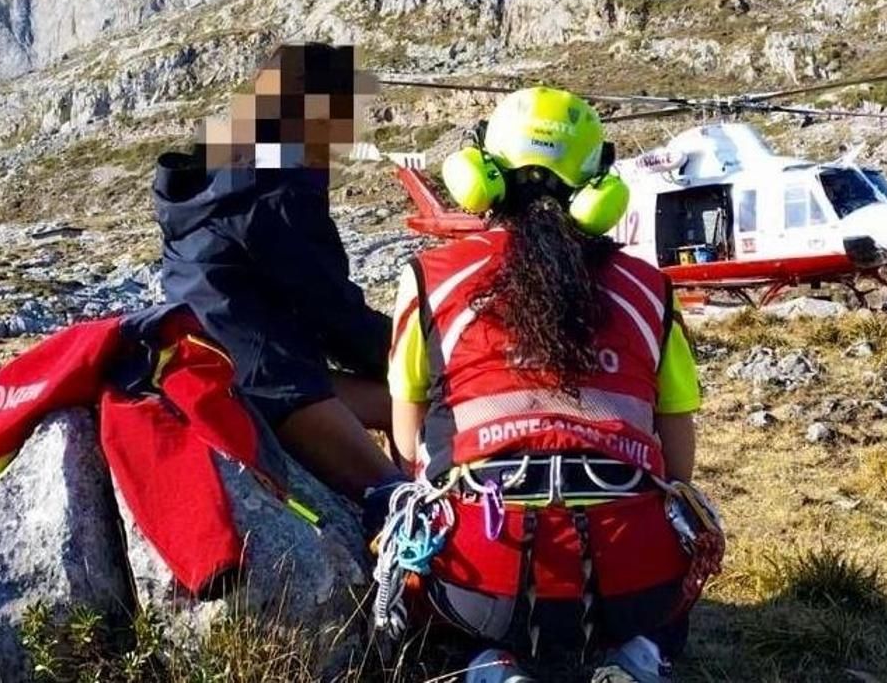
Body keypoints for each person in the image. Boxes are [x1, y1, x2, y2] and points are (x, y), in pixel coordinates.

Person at [380, 87, 722, 683]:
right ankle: (635, 656)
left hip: (479, 576)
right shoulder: (650, 288)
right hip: (634, 575)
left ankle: (488, 662)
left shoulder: (429, 278)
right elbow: (679, 461)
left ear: (481, 171)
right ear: (600, 183)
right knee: (674, 552)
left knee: (401, 524)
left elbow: (411, 449)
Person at [153, 42, 404, 501]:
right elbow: (328, 307)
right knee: (400, 500)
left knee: (402, 402)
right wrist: (411, 355)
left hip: (224, 365)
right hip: (267, 381)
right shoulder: (273, 185)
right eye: (346, 110)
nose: (350, 129)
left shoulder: (231, 162)